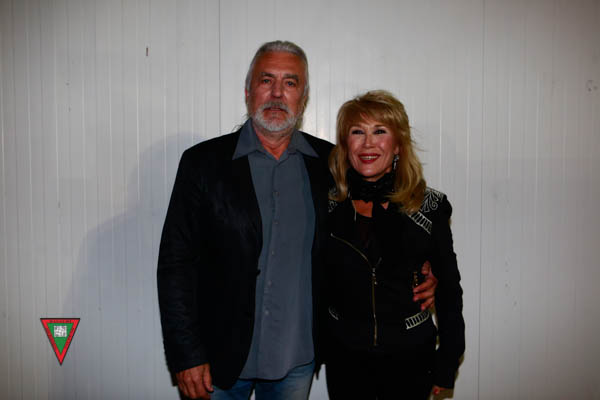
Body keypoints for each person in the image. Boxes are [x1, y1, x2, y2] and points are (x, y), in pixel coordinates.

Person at [157, 41, 438, 400]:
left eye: (290, 83)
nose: (277, 93)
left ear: (303, 99)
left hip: (296, 360)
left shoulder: (332, 165)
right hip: (217, 360)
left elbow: (385, 216)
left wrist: (425, 266)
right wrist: (186, 353)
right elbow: (176, 264)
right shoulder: (202, 164)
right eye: (266, 80)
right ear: (248, 92)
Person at [324, 90, 465, 399]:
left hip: (411, 357)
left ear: (398, 144)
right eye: (357, 132)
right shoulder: (326, 205)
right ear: (345, 145)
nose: (368, 143)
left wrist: (448, 360)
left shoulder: (430, 207)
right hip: (345, 358)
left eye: (380, 131)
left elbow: (449, 290)